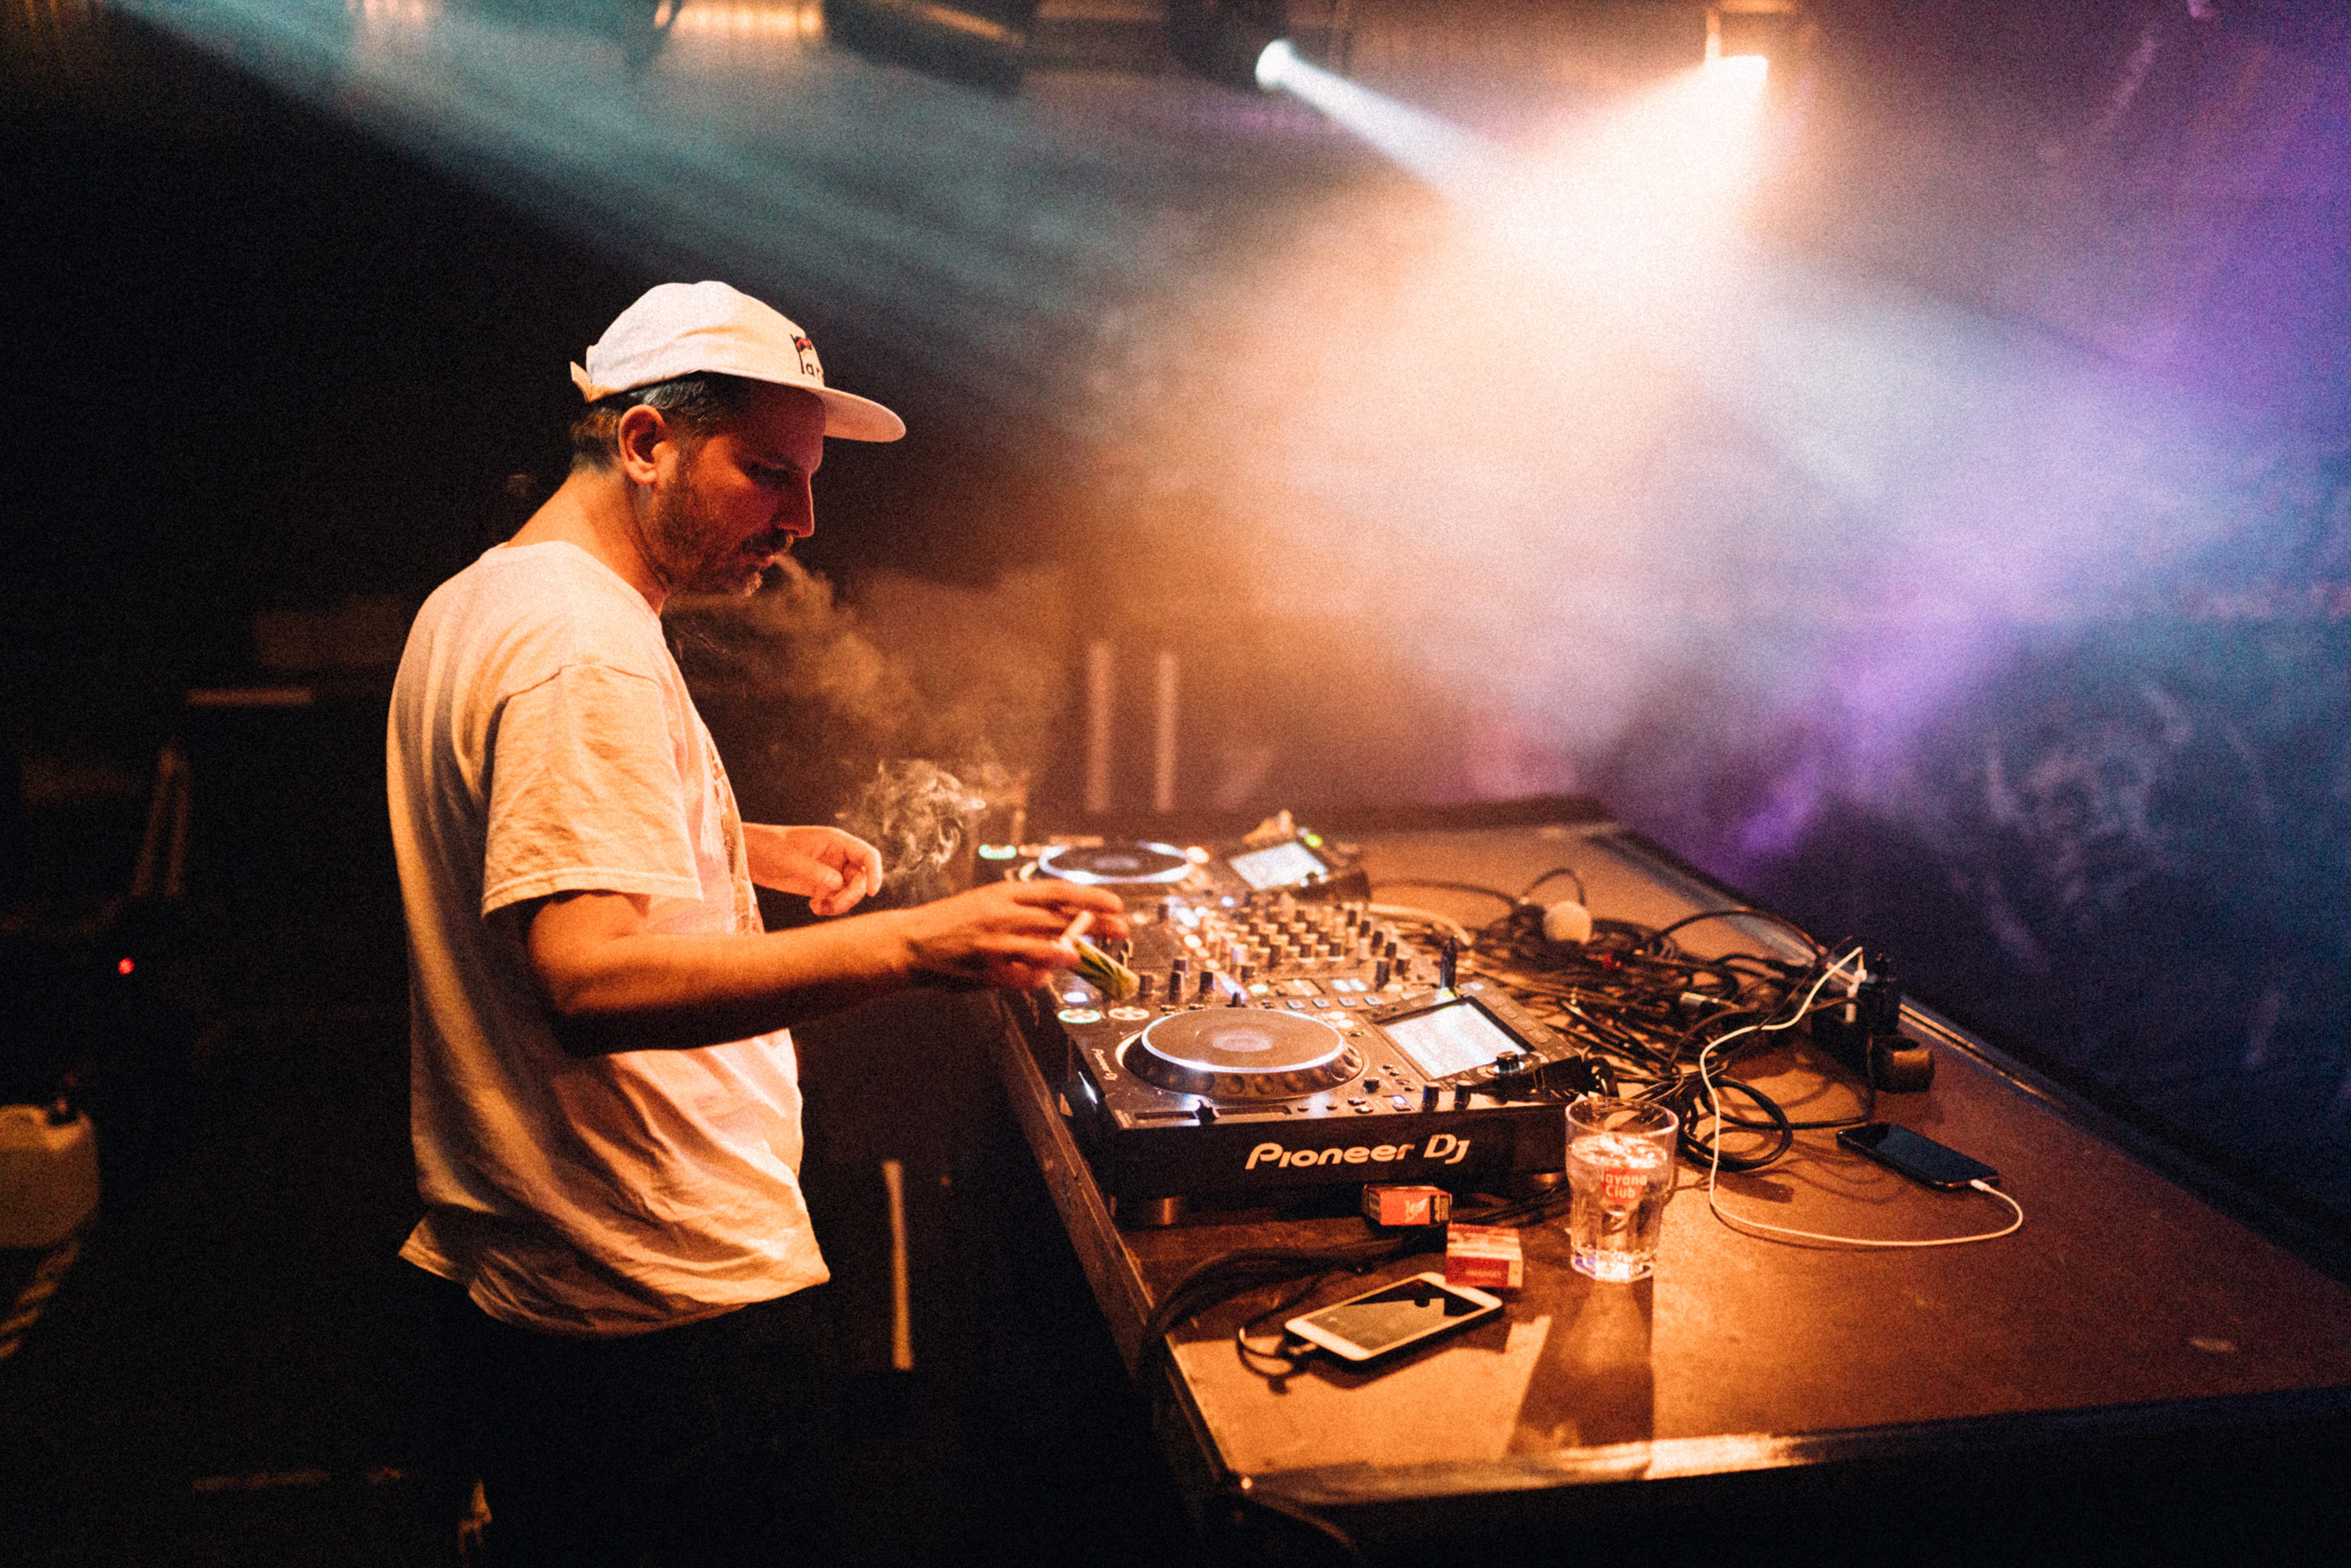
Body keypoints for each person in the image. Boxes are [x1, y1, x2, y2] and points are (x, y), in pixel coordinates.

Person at [386, 280, 1127, 1566]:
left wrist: (736, 844)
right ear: (644, 441)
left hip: (561, 1293)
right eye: (768, 473)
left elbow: (516, 851)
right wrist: (916, 945)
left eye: (810, 480)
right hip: (656, 1313)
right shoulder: (583, 650)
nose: (802, 520)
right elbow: (588, 979)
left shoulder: (484, 601)